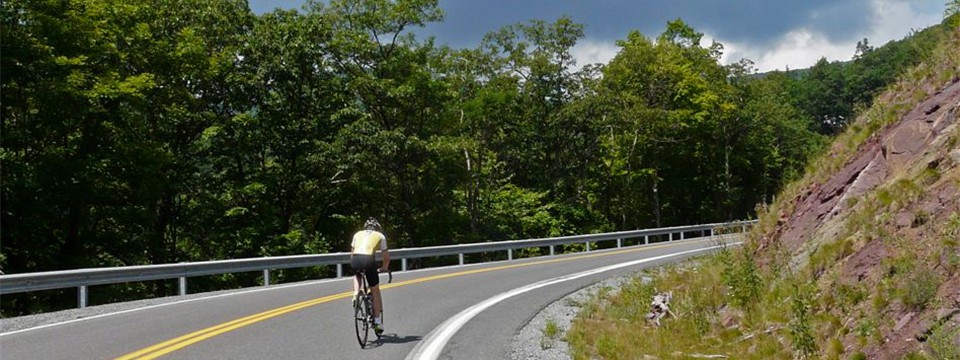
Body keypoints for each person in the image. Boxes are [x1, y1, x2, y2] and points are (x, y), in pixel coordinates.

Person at [350, 217, 390, 334]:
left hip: (356, 259)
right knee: (375, 290)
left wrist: (356, 266)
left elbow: (352, 253)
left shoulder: (357, 234)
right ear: (378, 228)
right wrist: (384, 268)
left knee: (357, 275)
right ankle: (377, 322)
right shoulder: (380, 236)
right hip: (369, 260)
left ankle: (356, 293)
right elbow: (386, 258)